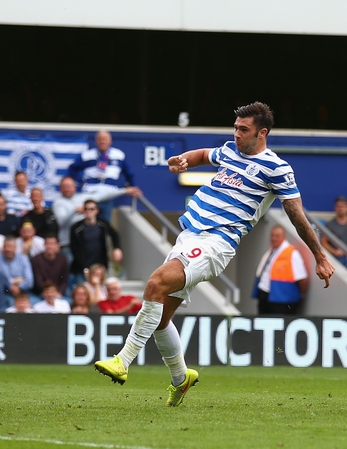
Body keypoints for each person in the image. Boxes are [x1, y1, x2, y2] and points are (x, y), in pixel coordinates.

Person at [94, 102, 334, 408]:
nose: (236, 134)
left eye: (243, 129)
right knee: (161, 318)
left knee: (155, 283)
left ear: (262, 133)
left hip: (216, 243)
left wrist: (320, 256)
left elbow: (297, 214)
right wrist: (183, 161)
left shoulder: (276, 168)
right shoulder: (230, 151)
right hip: (189, 236)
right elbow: (204, 155)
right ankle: (181, 379)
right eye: (235, 127)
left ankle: (123, 361)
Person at [53, 176, 139, 260]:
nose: (66, 189)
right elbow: (61, 222)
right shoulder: (58, 202)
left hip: (85, 245)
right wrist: (74, 210)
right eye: (64, 187)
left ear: (74, 187)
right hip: (68, 245)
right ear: (60, 188)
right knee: (71, 272)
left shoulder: (83, 198)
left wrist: (125, 191)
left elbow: (104, 195)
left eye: (69, 186)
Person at [68, 130, 137, 222]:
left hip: (108, 194)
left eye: (105, 139)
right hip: (91, 194)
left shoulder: (118, 155)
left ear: (110, 141)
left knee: (105, 224)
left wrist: (133, 186)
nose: (102, 141)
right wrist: (81, 181)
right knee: (88, 222)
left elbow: (129, 172)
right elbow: (73, 168)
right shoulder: (87, 155)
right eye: (100, 139)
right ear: (96, 141)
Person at [253, 225, 309, 315]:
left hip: (283, 299)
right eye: (272, 235)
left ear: (284, 237)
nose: (274, 238)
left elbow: (302, 278)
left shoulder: (292, 253)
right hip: (266, 295)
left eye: (277, 236)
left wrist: (301, 295)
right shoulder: (272, 250)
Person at [69, 199, 122, 279]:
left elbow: (115, 235)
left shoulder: (103, 224)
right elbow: (75, 249)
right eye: (86, 209)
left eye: (92, 209)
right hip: (82, 267)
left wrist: (117, 248)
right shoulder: (76, 228)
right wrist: (84, 268)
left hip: (100, 266)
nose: (89, 211)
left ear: (97, 211)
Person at [321, 196, 347, 266]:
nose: (340, 208)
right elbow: (323, 242)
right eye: (338, 206)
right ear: (335, 208)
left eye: (343, 206)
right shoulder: (330, 225)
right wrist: (335, 251)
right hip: (339, 259)